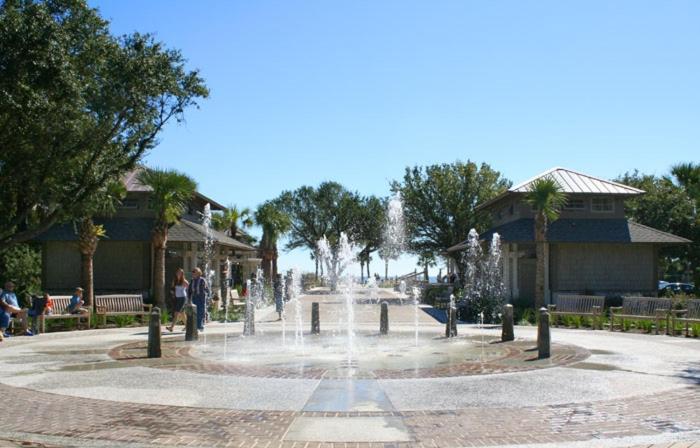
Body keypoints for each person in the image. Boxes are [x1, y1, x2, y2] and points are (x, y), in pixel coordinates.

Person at [188, 267, 209, 332]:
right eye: (193, 272)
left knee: (201, 312)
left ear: (198, 273)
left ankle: (200, 326)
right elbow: (190, 290)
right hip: (194, 298)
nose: (193, 273)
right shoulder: (192, 281)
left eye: (195, 272)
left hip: (201, 298)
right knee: (195, 312)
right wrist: (189, 299)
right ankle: (197, 326)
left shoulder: (202, 280)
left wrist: (209, 297)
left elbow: (207, 289)